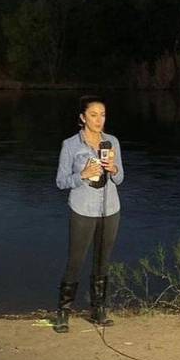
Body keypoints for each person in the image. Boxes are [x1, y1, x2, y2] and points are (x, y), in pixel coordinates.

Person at [53, 95, 124, 333]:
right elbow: (61, 182)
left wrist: (113, 169)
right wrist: (82, 174)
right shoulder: (71, 145)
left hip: (110, 209)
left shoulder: (111, 142)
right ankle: (63, 312)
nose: (99, 120)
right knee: (76, 261)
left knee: (102, 261)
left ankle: (98, 309)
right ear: (82, 118)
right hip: (82, 210)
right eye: (93, 115)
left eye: (102, 115)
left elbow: (121, 178)